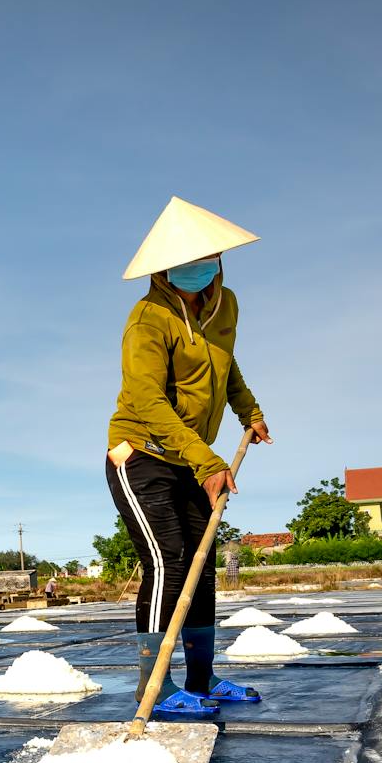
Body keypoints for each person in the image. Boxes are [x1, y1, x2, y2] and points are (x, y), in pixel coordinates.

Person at [107, 196, 274, 717]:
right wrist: (207, 461)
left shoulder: (227, 305)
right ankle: (152, 687)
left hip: (190, 457)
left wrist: (250, 410)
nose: (196, 272)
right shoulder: (147, 320)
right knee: (171, 559)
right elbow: (147, 401)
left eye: (204, 260)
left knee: (201, 571)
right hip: (142, 454)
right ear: (162, 271)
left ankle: (202, 679)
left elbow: (227, 366)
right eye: (182, 265)